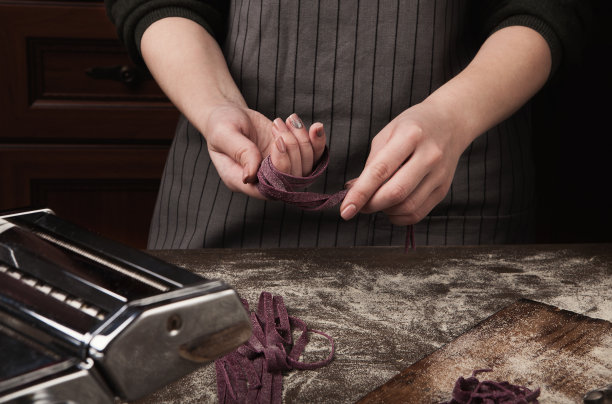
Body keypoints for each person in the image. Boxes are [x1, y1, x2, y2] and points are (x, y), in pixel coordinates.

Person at [105, 0, 592, 249]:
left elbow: (550, 8)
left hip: (450, 195)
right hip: (228, 191)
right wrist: (214, 106)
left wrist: (454, 115)